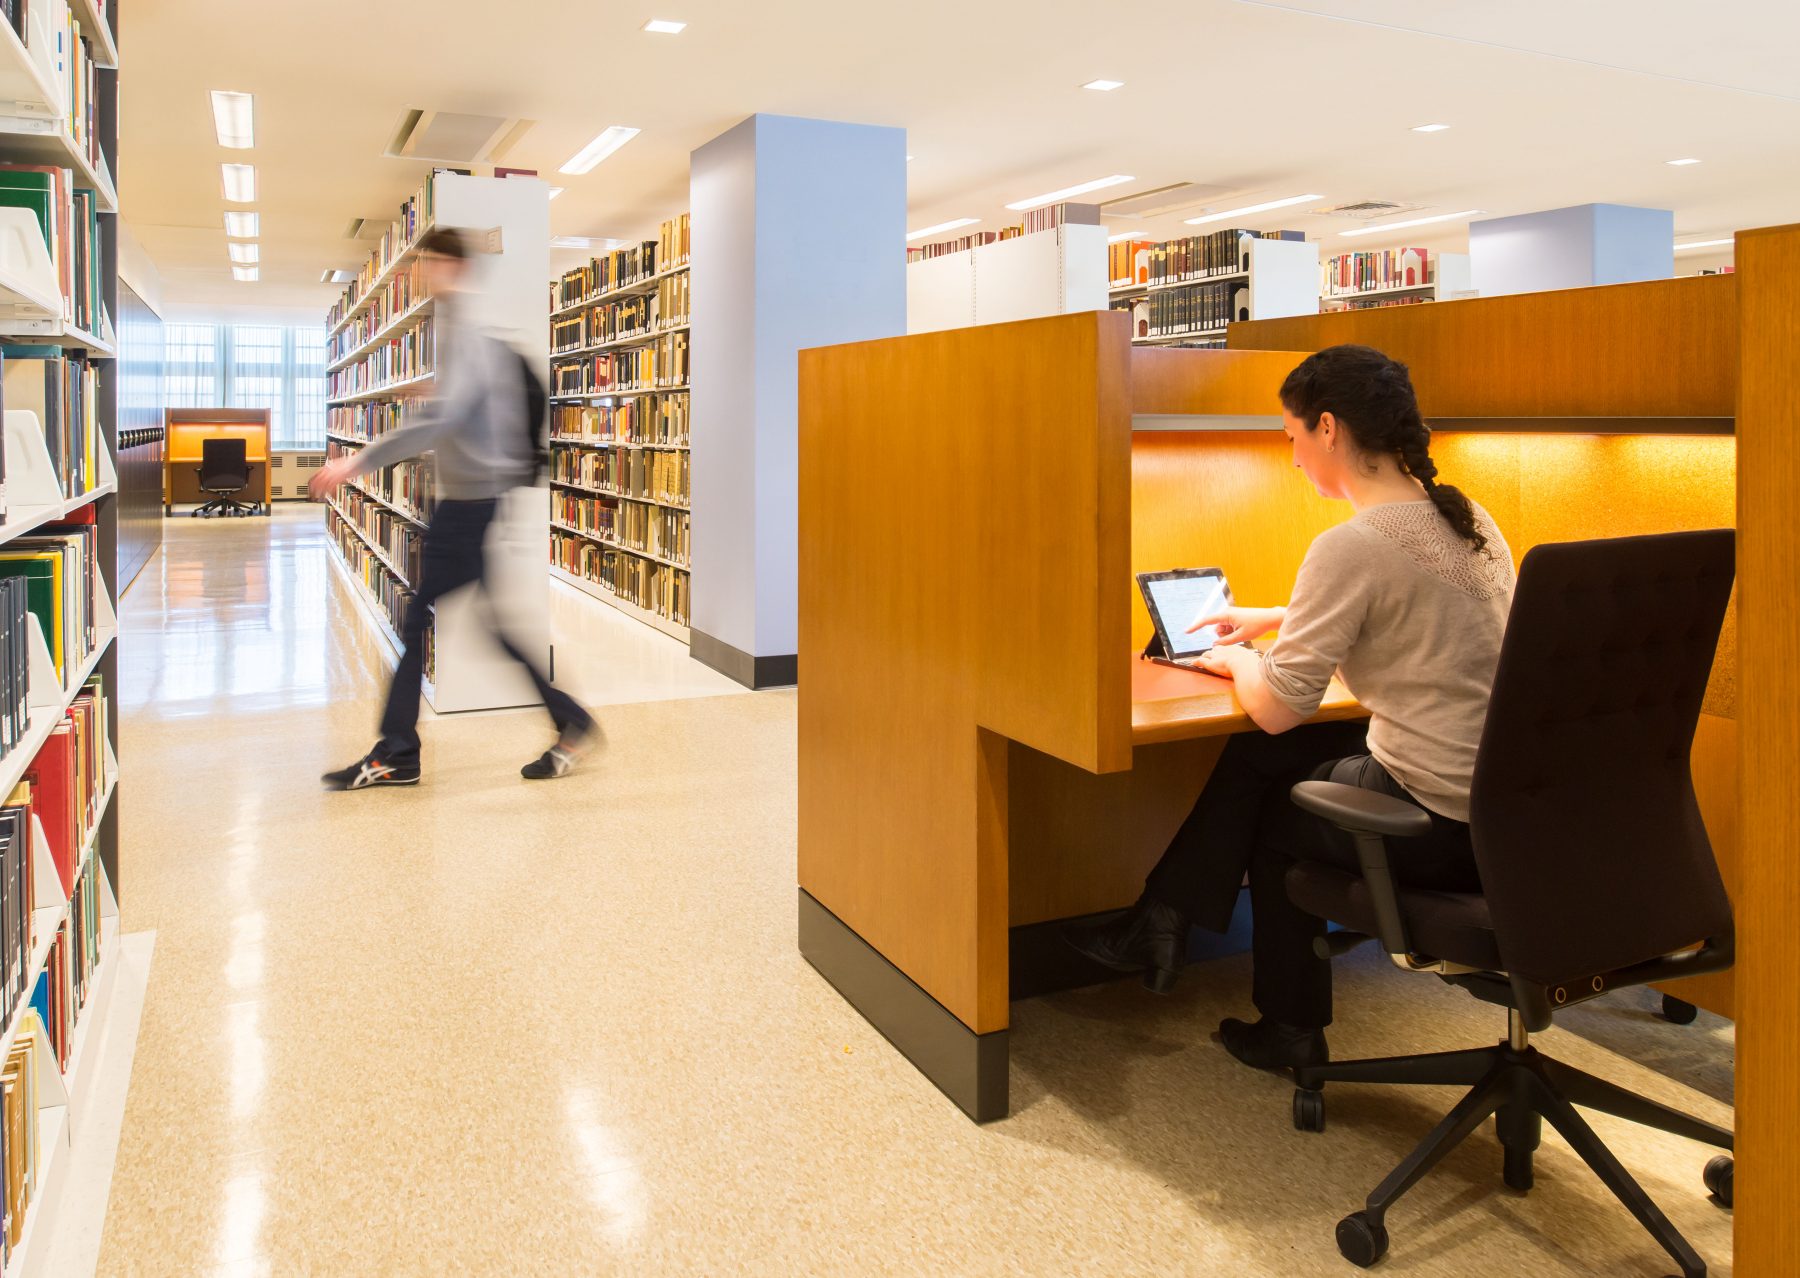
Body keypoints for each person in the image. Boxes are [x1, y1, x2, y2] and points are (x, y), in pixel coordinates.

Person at [1064, 343, 1515, 1072]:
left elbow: (1278, 706)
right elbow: (1409, 600)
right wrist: (1278, 616)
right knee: (1269, 759)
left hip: (1436, 819)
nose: (1295, 456)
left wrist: (1238, 657)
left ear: (1328, 428)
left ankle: (1282, 1020)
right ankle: (1163, 920)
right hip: (1505, 808)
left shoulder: (1353, 545)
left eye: (1292, 437)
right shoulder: (1467, 516)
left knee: (1273, 794)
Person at [309, 226, 594, 789]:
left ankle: (397, 752)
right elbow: (464, 410)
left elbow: (448, 420)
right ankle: (571, 721)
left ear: (451, 266)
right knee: (488, 624)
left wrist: (355, 464)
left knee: (417, 619)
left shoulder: (463, 330)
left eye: (426, 262)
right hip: (473, 498)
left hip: (469, 502)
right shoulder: (461, 332)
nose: (417, 274)